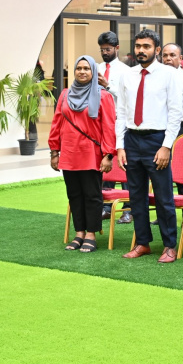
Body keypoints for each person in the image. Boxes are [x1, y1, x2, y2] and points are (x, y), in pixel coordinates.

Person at [116, 30, 182, 263]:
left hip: (157, 140)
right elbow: (121, 112)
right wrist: (120, 146)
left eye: (146, 46)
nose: (141, 50)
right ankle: (143, 243)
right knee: (136, 196)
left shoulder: (169, 75)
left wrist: (166, 146)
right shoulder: (127, 75)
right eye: (138, 46)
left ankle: (169, 246)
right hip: (132, 140)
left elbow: (175, 112)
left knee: (164, 197)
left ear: (157, 50)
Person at [49, 56, 116, 253]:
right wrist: (54, 151)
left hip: (91, 154)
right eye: (79, 68)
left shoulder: (103, 96)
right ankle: (79, 233)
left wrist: (108, 155)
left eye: (87, 68)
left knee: (92, 195)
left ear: (94, 72)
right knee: (74, 194)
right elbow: (57, 123)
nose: (82, 71)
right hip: (69, 153)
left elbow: (109, 126)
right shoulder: (65, 95)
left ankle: (91, 234)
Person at [96, 31, 131, 222]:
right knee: (106, 160)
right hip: (103, 122)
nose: (105, 53)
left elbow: (128, 97)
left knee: (123, 163)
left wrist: (107, 85)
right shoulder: (97, 67)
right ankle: (106, 207)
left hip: (121, 121)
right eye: (102, 50)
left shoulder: (126, 71)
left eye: (108, 49)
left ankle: (128, 209)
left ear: (117, 48)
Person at [161, 42, 183, 202]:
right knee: (161, 171)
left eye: (172, 55)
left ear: (180, 58)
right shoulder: (156, 77)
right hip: (160, 129)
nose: (168, 58)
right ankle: (163, 209)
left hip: (182, 129)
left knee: (182, 171)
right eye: (165, 55)